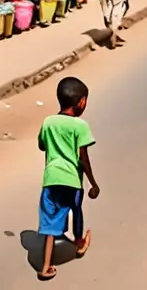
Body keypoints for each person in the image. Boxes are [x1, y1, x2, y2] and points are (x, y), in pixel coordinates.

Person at [37, 76, 99, 281]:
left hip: (50, 178)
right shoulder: (80, 125)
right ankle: (79, 243)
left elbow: (42, 146)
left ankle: (45, 267)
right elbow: (83, 159)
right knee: (76, 209)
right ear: (81, 102)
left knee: (49, 223)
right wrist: (93, 183)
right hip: (72, 180)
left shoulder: (48, 122)